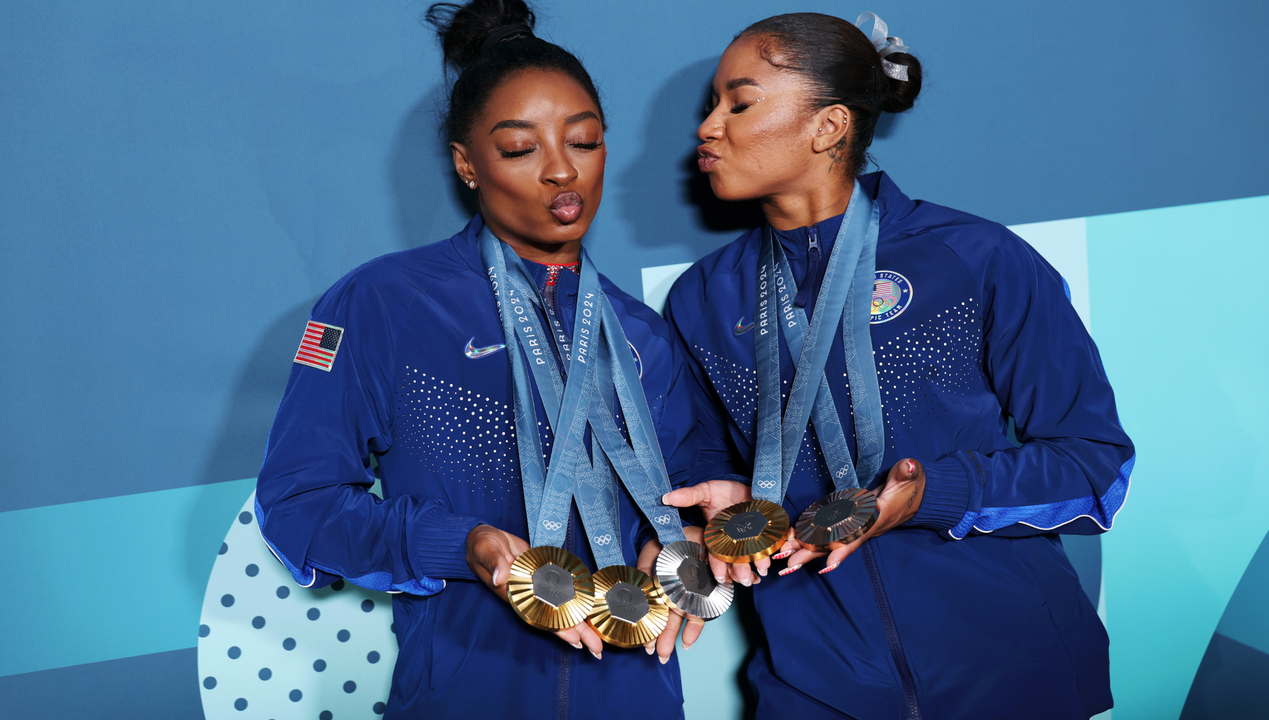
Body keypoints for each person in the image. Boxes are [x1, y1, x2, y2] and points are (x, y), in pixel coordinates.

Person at [662, 11, 1135, 720]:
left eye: (741, 102)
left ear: (828, 128)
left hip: (1010, 674)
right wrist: (718, 501)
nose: (708, 127)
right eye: (711, 105)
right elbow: (702, 451)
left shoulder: (973, 259)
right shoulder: (703, 296)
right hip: (814, 685)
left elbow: (1095, 468)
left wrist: (930, 495)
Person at [256, 1, 701, 717]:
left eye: (584, 141)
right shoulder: (384, 304)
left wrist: (673, 545)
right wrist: (464, 545)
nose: (561, 171)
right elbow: (298, 509)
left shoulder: (642, 333)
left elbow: (685, 503)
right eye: (521, 149)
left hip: (638, 697)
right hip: (465, 695)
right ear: (467, 164)